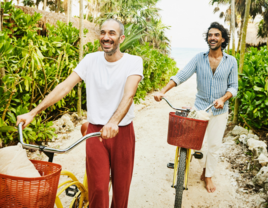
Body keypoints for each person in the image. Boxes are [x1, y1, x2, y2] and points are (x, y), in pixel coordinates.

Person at [16, 19, 143, 208]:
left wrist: (114, 122)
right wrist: (33, 113)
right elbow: (65, 86)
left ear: (121, 38)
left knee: (121, 191)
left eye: (112, 33)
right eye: (103, 33)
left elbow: (129, 94)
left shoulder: (133, 62)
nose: (106, 37)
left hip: (121, 132)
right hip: (95, 132)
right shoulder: (91, 60)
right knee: (98, 190)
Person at [154, 22, 238, 193]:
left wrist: (223, 98)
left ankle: (208, 175)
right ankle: (188, 162)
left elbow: (233, 87)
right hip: (200, 107)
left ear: (223, 39)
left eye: (216, 35)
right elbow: (182, 75)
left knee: (214, 146)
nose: (212, 38)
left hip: (220, 110)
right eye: (210, 35)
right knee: (192, 143)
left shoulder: (231, 61)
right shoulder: (199, 58)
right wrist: (162, 91)